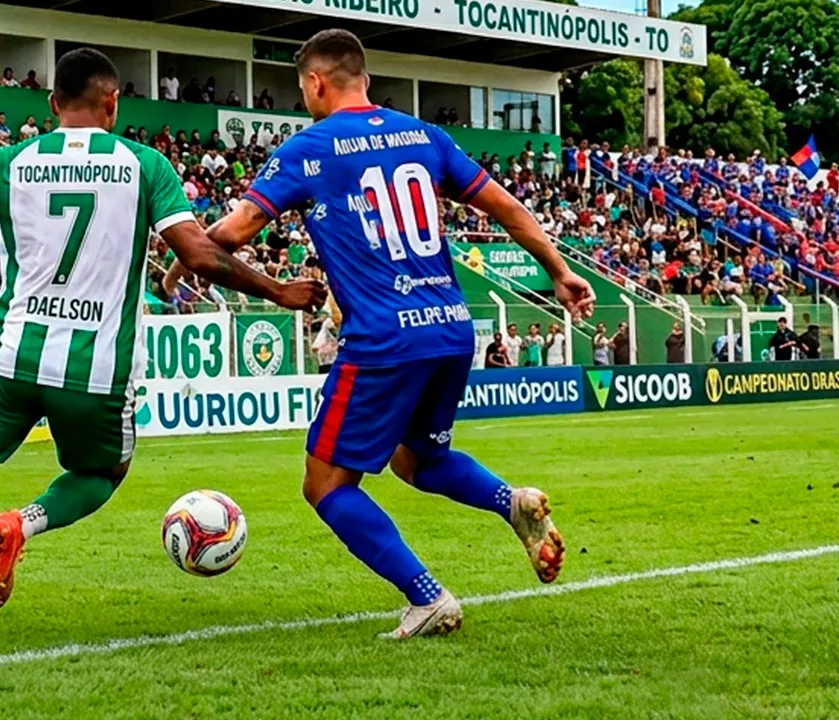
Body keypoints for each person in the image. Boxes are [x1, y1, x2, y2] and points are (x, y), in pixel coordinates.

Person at [0, 48, 325, 651]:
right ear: (113, 103)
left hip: (12, 359)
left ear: (53, 105)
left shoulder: (9, 161)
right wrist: (279, 290)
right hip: (96, 371)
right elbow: (201, 254)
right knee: (102, 472)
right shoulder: (145, 165)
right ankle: (21, 523)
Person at [180, 29, 593, 639]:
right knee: (417, 458)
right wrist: (559, 271)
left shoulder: (307, 148)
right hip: (451, 329)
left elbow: (235, 232)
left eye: (303, 89)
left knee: (324, 484)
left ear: (315, 83)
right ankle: (512, 501)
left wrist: (181, 245)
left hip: (382, 338)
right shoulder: (424, 136)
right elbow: (506, 207)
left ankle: (427, 596)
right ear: (364, 79)